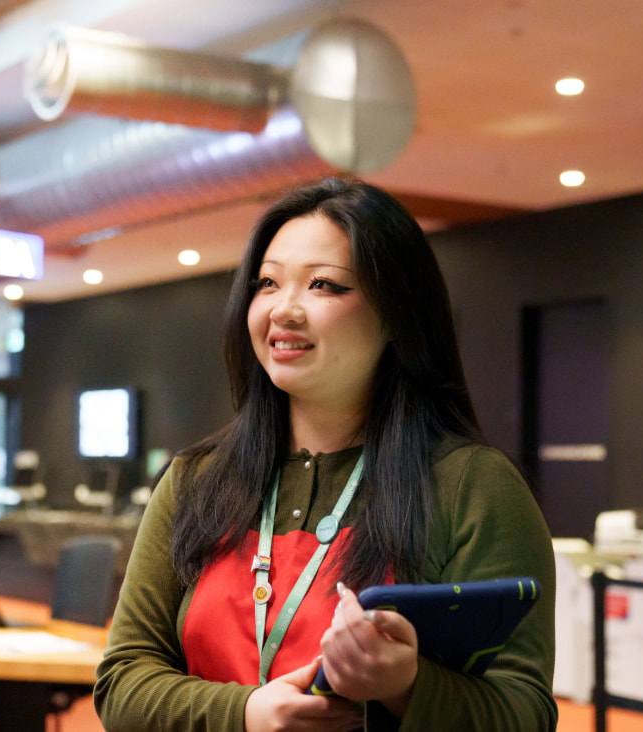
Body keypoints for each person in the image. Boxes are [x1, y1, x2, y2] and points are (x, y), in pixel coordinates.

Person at [94, 178, 557, 731]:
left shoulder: (471, 485)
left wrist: (408, 687)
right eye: (266, 283)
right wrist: (244, 714)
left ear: (396, 314)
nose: (284, 310)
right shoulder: (196, 480)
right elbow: (122, 680)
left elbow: (525, 712)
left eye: (323, 285)